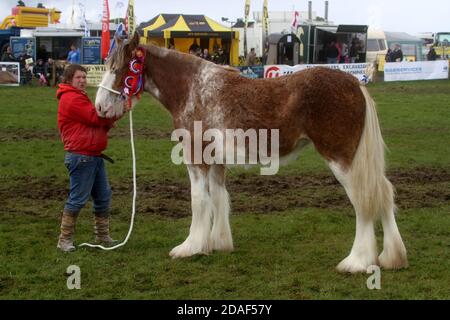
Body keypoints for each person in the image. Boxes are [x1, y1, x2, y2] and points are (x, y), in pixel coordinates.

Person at [56, 64, 123, 252]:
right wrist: (119, 111)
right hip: (81, 156)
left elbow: (96, 121)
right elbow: (95, 117)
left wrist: (109, 119)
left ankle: (102, 236)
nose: (83, 80)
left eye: (84, 77)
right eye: (78, 77)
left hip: (93, 157)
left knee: (103, 197)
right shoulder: (71, 98)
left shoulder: (79, 97)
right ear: (69, 80)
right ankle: (64, 240)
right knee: (77, 199)